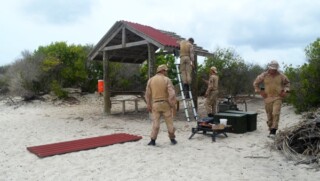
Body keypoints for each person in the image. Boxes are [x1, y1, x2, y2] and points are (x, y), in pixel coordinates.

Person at [253, 60, 290, 138]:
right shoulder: (264, 75)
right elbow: (255, 83)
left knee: (275, 113)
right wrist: (259, 91)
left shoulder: (281, 76)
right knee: (269, 115)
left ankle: (273, 131)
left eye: (274, 69)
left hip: (278, 97)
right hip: (267, 97)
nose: (273, 70)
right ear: (269, 67)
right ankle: (270, 128)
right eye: (272, 68)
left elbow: (287, 83)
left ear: (277, 69)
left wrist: (285, 91)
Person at [145, 64, 177, 146]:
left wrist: (148, 104)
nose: (166, 72)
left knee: (156, 124)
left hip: (155, 104)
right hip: (165, 104)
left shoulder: (150, 80)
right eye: (165, 70)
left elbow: (147, 94)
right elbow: (172, 93)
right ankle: (172, 139)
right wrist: (172, 103)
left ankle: (152, 140)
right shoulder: (167, 79)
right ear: (162, 71)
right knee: (170, 123)